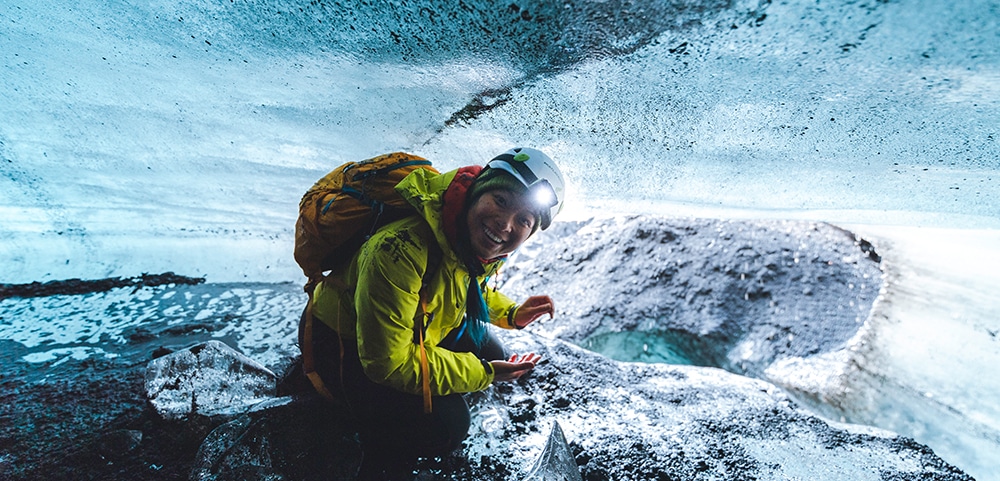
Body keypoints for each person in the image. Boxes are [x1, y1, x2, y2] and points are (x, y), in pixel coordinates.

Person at [299, 147, 566, 479]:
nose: (505, 224)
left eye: (524, 220)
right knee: (448, 426)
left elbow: (460, 285)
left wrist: (511, 315)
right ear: (479, 190)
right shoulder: (398, 249)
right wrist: (483, 373)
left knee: (490, 350)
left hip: (408, 329)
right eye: (501, 200)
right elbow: (387, 363)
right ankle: (375, 447)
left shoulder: (458, 230)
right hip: (341, 344)